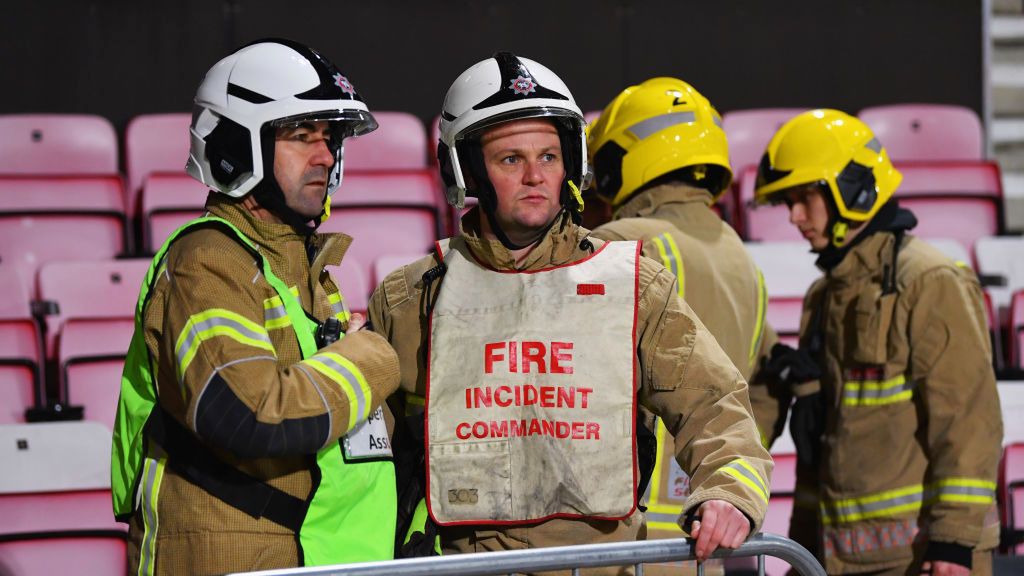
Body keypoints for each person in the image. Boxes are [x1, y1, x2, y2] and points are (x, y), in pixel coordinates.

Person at [368, 52, 772, 573]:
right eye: (510, 159)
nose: (535, 176)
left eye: (549, 156)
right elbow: (364, 459)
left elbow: (716, 406)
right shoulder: (410, 299)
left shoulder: (633, 285)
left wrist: (729, 492)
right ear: (465, 169)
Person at [111, 39, 401, 575]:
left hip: (313, 553)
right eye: (301, 136)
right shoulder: (208, 260)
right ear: (236, 146)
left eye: (329, 137)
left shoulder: (301, 269)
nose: (325, 155)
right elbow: (248, 414)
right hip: (236, 556)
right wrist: (373, 359)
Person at [753, 109, 1002, 575]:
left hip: (924, 559)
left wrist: (953, 543)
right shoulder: (823, 297)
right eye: (787, 202)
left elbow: (968, 421)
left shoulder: (929, 281)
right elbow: (822, 452)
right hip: (841, 560)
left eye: (804, 197)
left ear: (852, 189)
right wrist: (803, 549)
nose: (794, 216)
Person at [586, 78, 785, 546]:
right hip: (706, 527)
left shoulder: (619, 244)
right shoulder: (742, 258)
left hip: (621, 533)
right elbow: (758, 394)